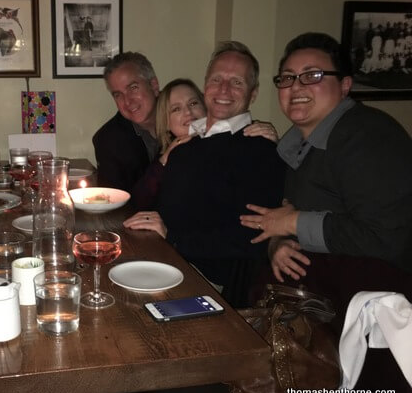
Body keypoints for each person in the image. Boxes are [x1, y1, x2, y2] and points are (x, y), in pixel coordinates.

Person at [240, 32, 412, 393]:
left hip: (372, 325)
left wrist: (294, 224)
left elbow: (387, 239)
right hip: (324, 317)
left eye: (312, 75)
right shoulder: (300, 144)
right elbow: (282, 217)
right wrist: (278, 242)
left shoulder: (367, 136)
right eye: (286, 77)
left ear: (345, 84)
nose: (296, 86)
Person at [128, 42, 285, 307]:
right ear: (206, 86)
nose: (224, 89)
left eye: (236, 82)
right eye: (217, 80)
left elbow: (251, 238)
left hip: (209, 285)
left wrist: (172, 236)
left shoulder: (260, 150)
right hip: (167, 261)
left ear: (253, 93)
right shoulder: (188, 144)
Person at [130, 78, 278, 210]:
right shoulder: (164, 156)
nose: (188, 112)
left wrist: (271, 142)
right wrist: (164, 160)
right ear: (166, 122)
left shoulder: (235, 139)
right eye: (176, 109)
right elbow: (138, 202)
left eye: (193, 103)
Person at [93, 52, 160, 194]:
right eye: (118, 95)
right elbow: (114, 201)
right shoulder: (108, 141)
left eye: (133, 88)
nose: (128, 101)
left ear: (154, 86)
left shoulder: (184, 117)